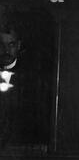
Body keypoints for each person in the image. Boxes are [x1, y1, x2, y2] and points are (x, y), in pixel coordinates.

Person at [0, 21, 52, 150]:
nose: (6, 50)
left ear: (18, 45)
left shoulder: (32, 77)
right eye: (1, 45)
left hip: (22, 146)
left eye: (11, 44)